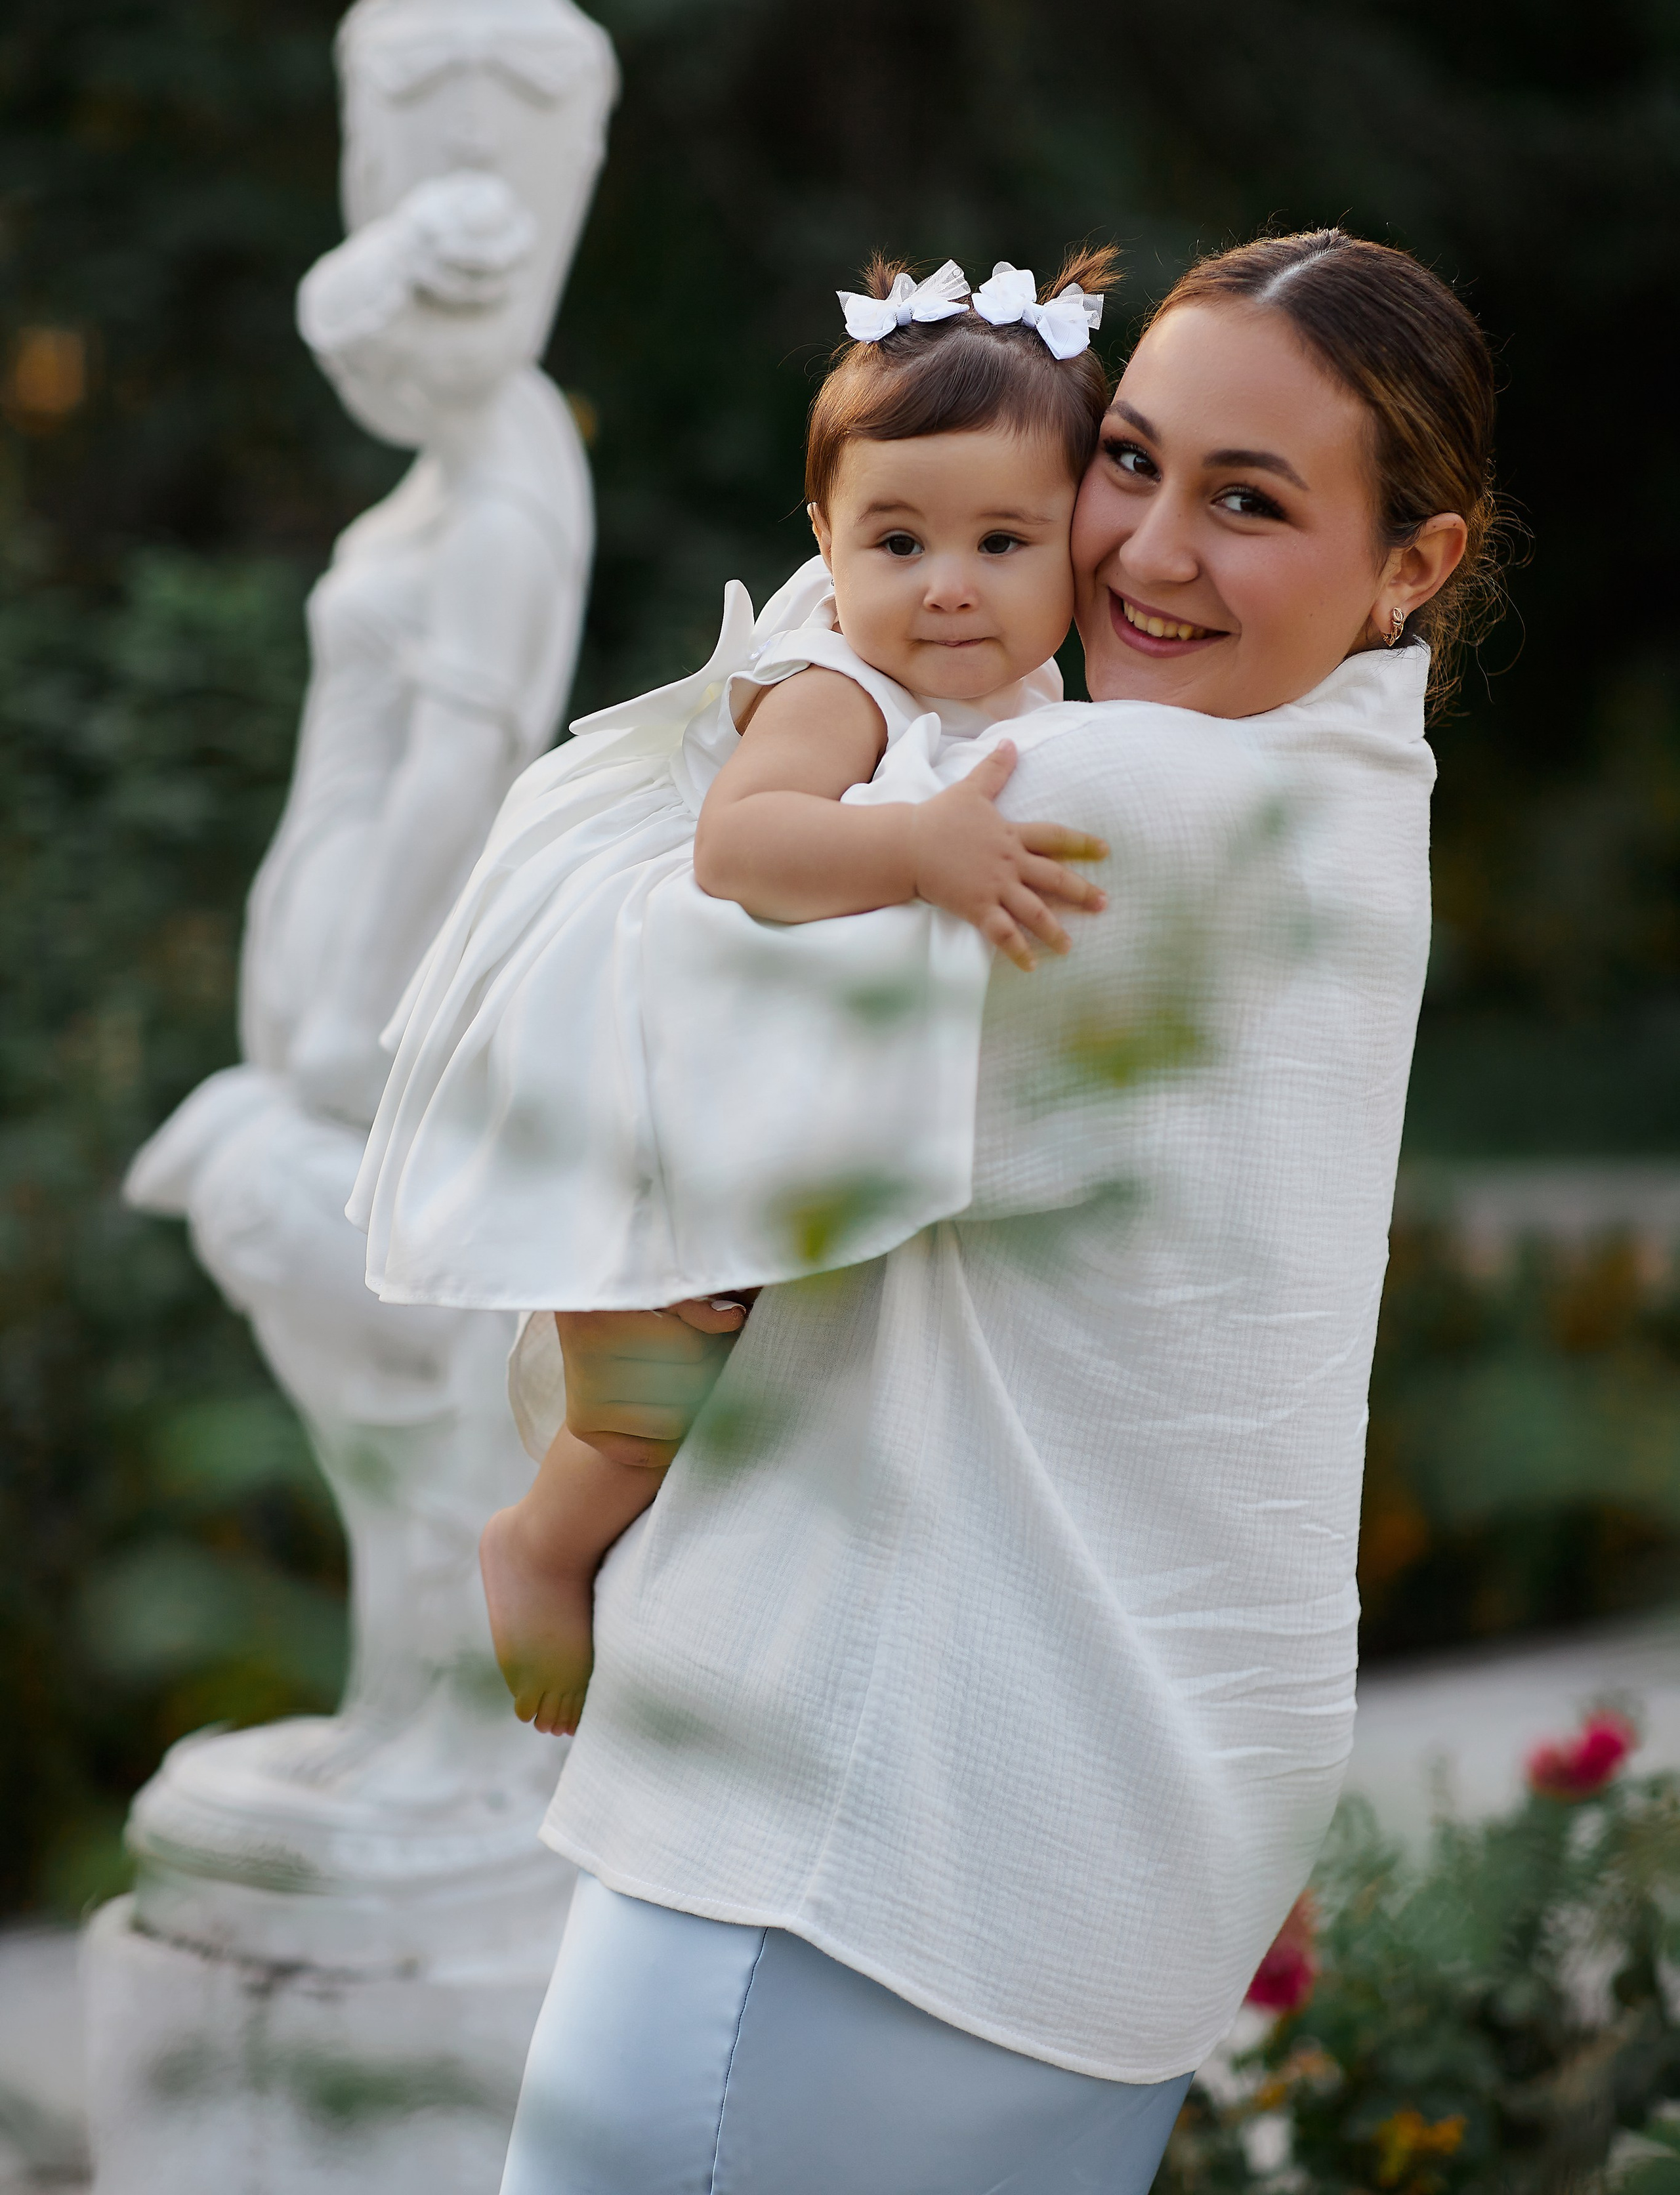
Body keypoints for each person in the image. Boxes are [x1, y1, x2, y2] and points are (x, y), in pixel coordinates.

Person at [486, 229, 1503, 2195]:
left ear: (1417, 565)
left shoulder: (1106, 804)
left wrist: (823, 680)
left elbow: (618, 1038)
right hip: (1103, 1819)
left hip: (892, 1817)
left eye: (1250, 500)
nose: (1142, 552)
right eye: (1125, 462)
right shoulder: (1348, 793)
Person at [353, 247, 1122, 1730]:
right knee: (650, 1400)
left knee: (745, 1379)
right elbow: (741, 852)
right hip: (639, 1054)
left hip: (744, 1061)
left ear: (1076, 547)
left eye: (1001, 544)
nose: (946, 588)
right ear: (824, 541)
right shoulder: (841, 688)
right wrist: (920, 849)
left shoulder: (1023, 695)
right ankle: (537, 1543)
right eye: (894, 542)